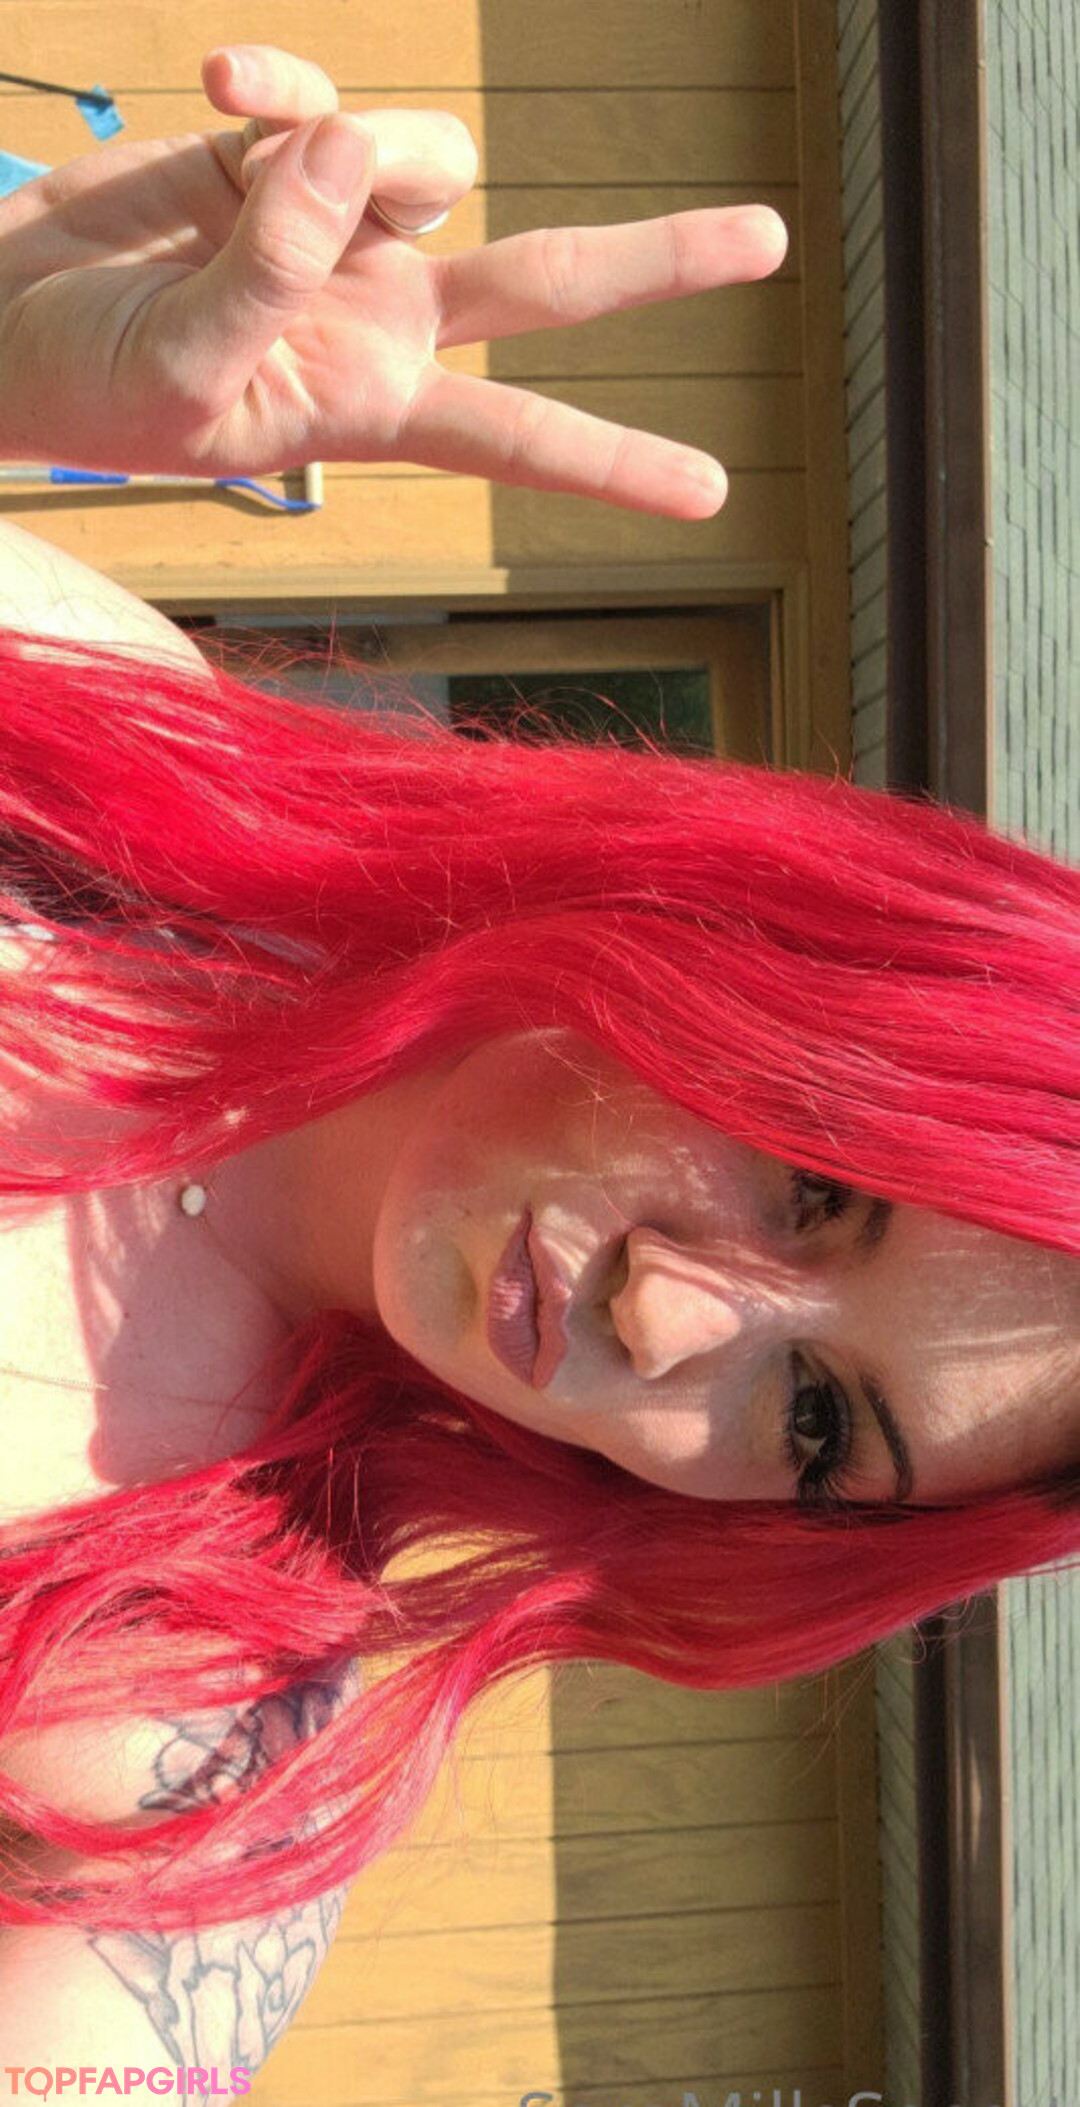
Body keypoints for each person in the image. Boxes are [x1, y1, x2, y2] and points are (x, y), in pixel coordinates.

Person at [0, 42, 1075, 2086]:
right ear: (764, 945)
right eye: (814, 1176)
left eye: (818, 1426)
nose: (673, 1321)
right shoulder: (111, 754)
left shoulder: (191, 1748)